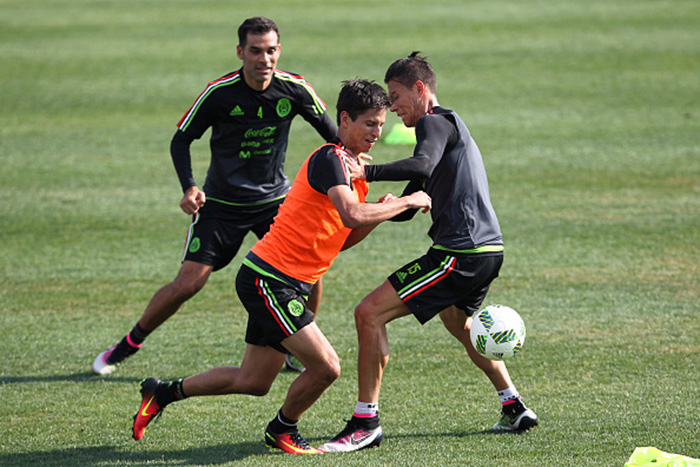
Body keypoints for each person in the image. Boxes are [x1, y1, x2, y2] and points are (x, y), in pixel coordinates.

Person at [130, 79, 432, 454]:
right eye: (370, 123)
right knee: (327, 367)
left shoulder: (354, 172)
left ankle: (161, 392)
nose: (378, 132)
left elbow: (346, 235)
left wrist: (380, 213)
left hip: (286, 282)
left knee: (253, 380)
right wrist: (404, 202)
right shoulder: (330, 159)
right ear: (345, 119)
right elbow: (351, 215)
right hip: (270, 281)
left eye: (381, 123)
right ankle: (282, 429)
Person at [319, 52, 538, 453]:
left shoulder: (433, 123)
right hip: (486, 251)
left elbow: (420, 163)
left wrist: (365, 171)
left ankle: (364, 422)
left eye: (397, 95)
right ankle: (515, 406)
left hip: (461, 253)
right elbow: (415, 195)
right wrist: (390, 206)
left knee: (369, 313)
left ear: (421, 90)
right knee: (458, 324)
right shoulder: (446, 129)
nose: (392, 105)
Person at [92, 17, 336, 376]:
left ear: (278, 51)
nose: (263, 59)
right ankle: (129, 343)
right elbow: (181, 139)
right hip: (222, 205)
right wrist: (190, 187)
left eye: (270, 51)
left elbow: (333, 136)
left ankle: (296, 348)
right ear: (241, 52)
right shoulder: (219, 94)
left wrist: (350, 165)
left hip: (275, 203)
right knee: (189, 283)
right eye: (255, 51)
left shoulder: (294, 89)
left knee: (311, 276)